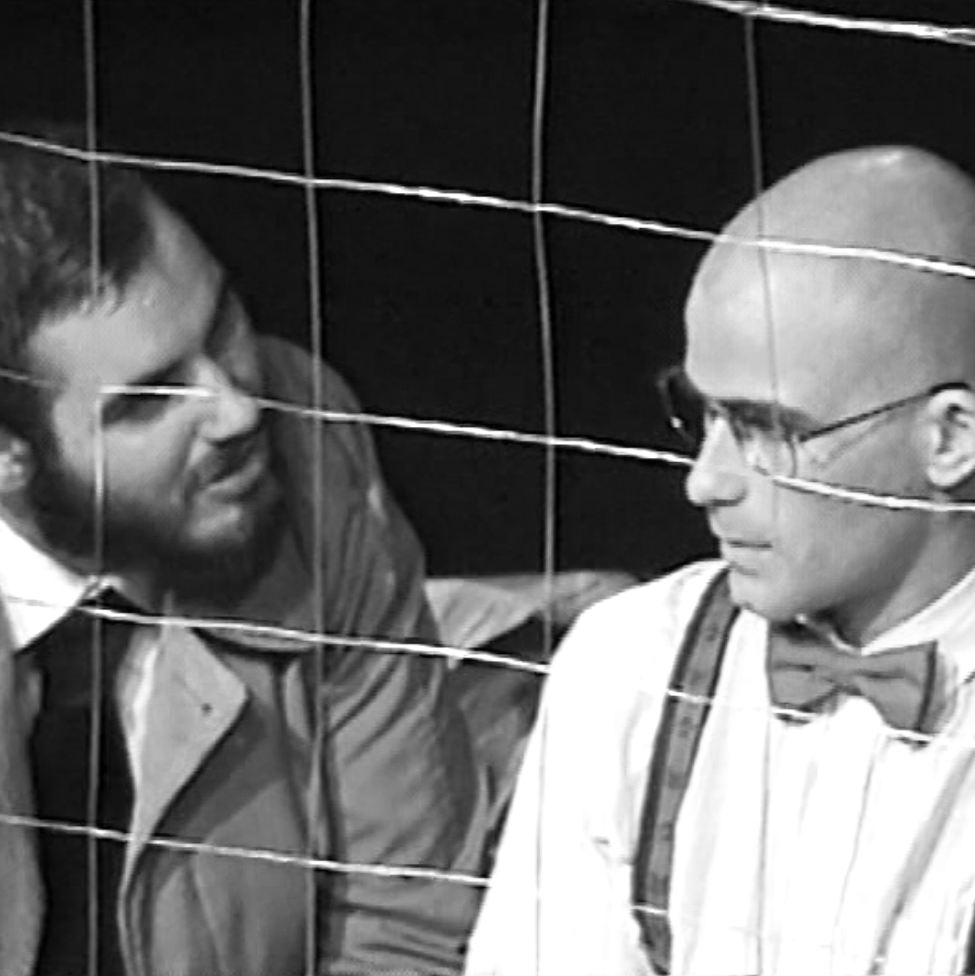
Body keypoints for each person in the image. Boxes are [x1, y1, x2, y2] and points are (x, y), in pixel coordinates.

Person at [465, 145, 975, 976]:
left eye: (766, 429)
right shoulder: (627, 668)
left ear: (948, 437)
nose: (704, 483)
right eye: (698, 415)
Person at [0, 129, 488, 976]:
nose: (235, 409)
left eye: (222, 322)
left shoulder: (302, 445)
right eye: (150, 400)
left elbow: (404, 918)